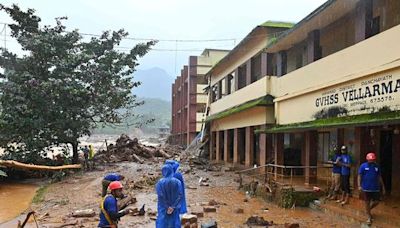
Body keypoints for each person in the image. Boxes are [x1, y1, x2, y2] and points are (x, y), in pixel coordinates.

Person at [358, 152, 386, 225]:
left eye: (373, 160)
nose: (371, 161)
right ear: (367, 159)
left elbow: (379, 177)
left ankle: (368, 210)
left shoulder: (377, 166)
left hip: (375, 188)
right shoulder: (363, 166)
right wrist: (359, 185)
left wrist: (383, 187)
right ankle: (369, 217)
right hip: (366, 188)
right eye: (370, 160)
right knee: (367, 202)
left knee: (377, 201)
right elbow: (359, 176)